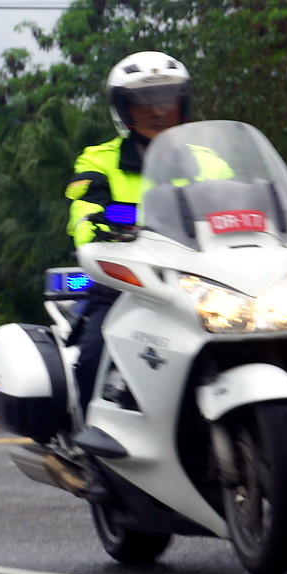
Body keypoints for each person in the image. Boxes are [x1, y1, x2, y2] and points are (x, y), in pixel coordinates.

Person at [66, 51, 196, 409]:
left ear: (182, 106)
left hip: (199, 281)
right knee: (94, 353)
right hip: (126, 284)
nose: (158, 111)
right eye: (145, 102)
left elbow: (242, 205)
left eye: (167, 101)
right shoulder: (99, 159)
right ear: (124, 110)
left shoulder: (207, 160)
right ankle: (87, 445)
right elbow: (85, 210)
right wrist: (96, 231)